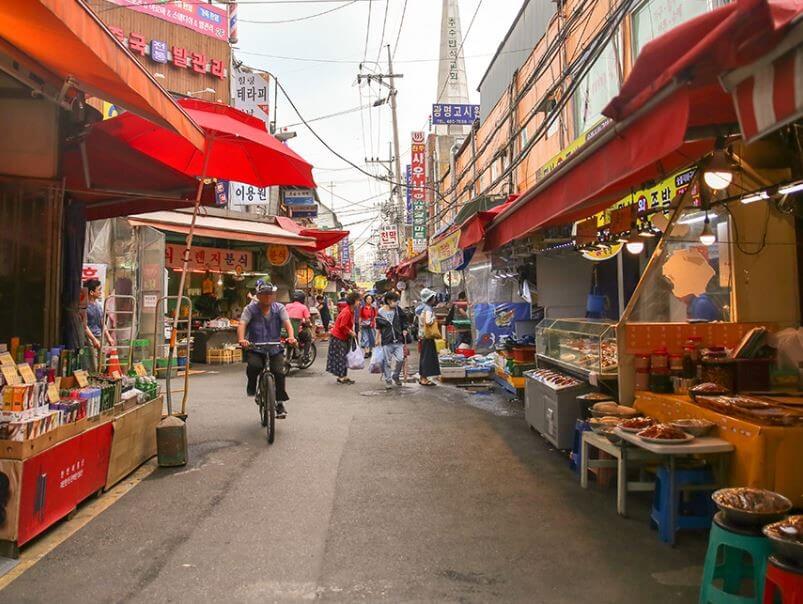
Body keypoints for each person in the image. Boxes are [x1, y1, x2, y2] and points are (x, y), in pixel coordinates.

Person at [237, 282, 296, 418]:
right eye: (264, 294)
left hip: (275, 347)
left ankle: (280, 402)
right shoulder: (250, 309)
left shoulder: (279, 308)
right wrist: (242, 339)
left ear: (274, 296)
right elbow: (242, 324)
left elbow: (287, 323)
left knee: (278, 372)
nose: (267, 297)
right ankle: (252, 385)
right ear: (258, 296)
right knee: (254, 366)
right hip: (255, 347)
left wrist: (291, 337)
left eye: (270, 294)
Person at [375, 291, 408, 388]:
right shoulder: (380, 312)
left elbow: (404, 320)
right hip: (387, 340)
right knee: (387, 361)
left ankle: (396, 375)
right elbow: (378, 327)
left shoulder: (398, 310)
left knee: (400, 359)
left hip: (398, 339)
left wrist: (405, 329)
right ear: (388, 301)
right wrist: (377, 338)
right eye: (395, 301)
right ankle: (388, 380)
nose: (396, 303)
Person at [327, 291, 359, 384]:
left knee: (344, 356)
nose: (359, 302)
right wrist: (350, 332)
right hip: (338, 337)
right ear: (353, 301)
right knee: (341, 357)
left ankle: (343, 376)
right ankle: (341, 377)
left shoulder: (350, 310)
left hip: (343, 337)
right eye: (358, 300)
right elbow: (342, 326)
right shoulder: (347, 312)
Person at [84, 279, 114, 371]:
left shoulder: (98, 305)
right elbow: (84, 326)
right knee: (93, 364)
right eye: (99, 290)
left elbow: (102, 322)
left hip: (100, 337)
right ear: (92, 292)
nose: (100, 292)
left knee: (102, 364)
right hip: (89, 338)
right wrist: (93, 339)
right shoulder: (84, 306)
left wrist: (108, 337)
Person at [418, 288, 441, 386]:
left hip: (423, 336)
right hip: (427, 336)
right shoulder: (428, 309)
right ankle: (424, 378)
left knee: (424, 356)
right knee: (427, 357)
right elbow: (428, 321)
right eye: (433, 298)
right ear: (430, 298)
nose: (435, 300)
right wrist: (434, 318)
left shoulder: (421, 308)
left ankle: (422, 377)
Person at [285, 290, 313, 361]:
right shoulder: (304, 307)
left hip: (284, 331)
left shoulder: (287, 306)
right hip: (296, 331)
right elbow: (307, 320)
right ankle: (305, 356)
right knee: (308, 337)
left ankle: (294, 352)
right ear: (302, 299)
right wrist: (308, 324)